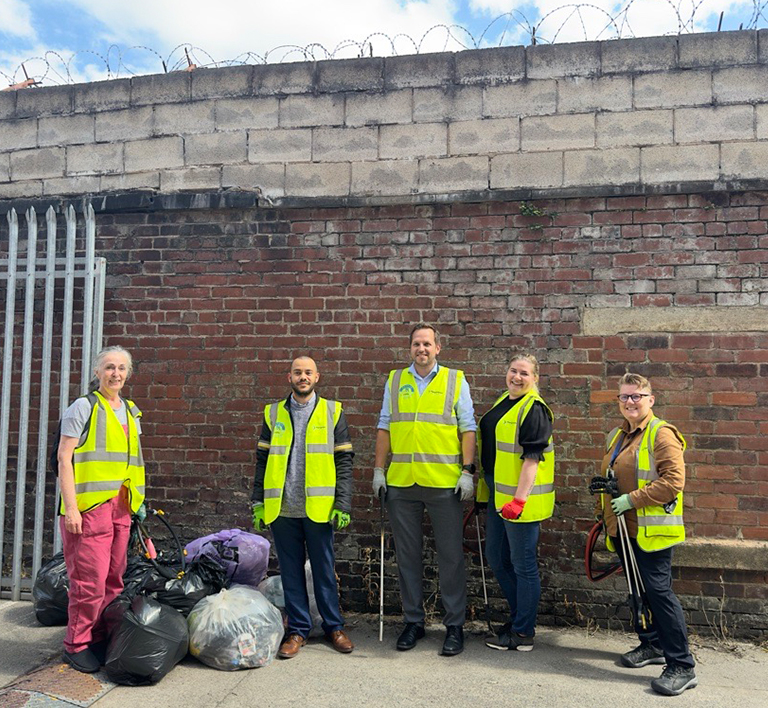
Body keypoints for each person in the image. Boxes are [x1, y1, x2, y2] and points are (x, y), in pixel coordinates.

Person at [373, 323, 476, 656]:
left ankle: (454, 626)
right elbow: (385, 425)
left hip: (444, 484)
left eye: (427, 343)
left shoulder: (455, 380)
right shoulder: (395, 380)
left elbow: (468, 428)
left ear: (438, 347)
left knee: (450, 557)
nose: (422, 348)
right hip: (402, 483)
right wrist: (378, 469)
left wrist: (467, 472)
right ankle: (413, 621)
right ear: (410, 349)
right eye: (416, 344)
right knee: (407, 557)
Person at [596, 372, 697, 696]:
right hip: (624, 530)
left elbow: (672, 483)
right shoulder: (618, 434)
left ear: (650, 400)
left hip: (651, 533)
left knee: (658, 593)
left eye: (636, 396)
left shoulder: (661, 433)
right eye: (624, 397)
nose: (629, 402)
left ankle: (682, 665)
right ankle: (651, 645)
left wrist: (630, 499)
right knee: (638, 591)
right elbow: (618, 475)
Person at [251, 356, 354, 659]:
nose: (303, 377)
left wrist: (342, 503)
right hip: (282, 508)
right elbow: (262, 462)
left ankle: (334, 627)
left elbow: (344, 461)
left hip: (319, 508)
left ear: (317, 377)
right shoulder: (273, 414)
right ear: (289, 377)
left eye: (308, 372)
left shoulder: (332, 411)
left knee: (323, 569)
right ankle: (298, 630)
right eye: (298, 372)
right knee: (291, 571)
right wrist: (257, 502)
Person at [57, 345, 146, 673]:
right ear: (97, 373)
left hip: (121, 506)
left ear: (128, 373)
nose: (116, 374)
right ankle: (76, 643)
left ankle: (100, 636)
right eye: (109, 367)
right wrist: (71, 508)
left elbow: (131, 462)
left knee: (113, 578)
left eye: (122, 368)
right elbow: (64, 458)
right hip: (90, 506)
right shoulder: (84, 407)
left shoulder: (131, 411)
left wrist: (139, 505)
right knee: (88, 581)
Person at [476, 352, 555, 652]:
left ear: (535, 378)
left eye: (524, 373)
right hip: (499, 496)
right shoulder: (504, 401)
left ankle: (523, 633)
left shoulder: (534, 409)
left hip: (520, 501)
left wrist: (519, 500)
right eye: (513, 371)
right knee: (496, 557)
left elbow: (532, 458)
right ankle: (520, 616)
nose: (517, 377)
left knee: (523, 566)